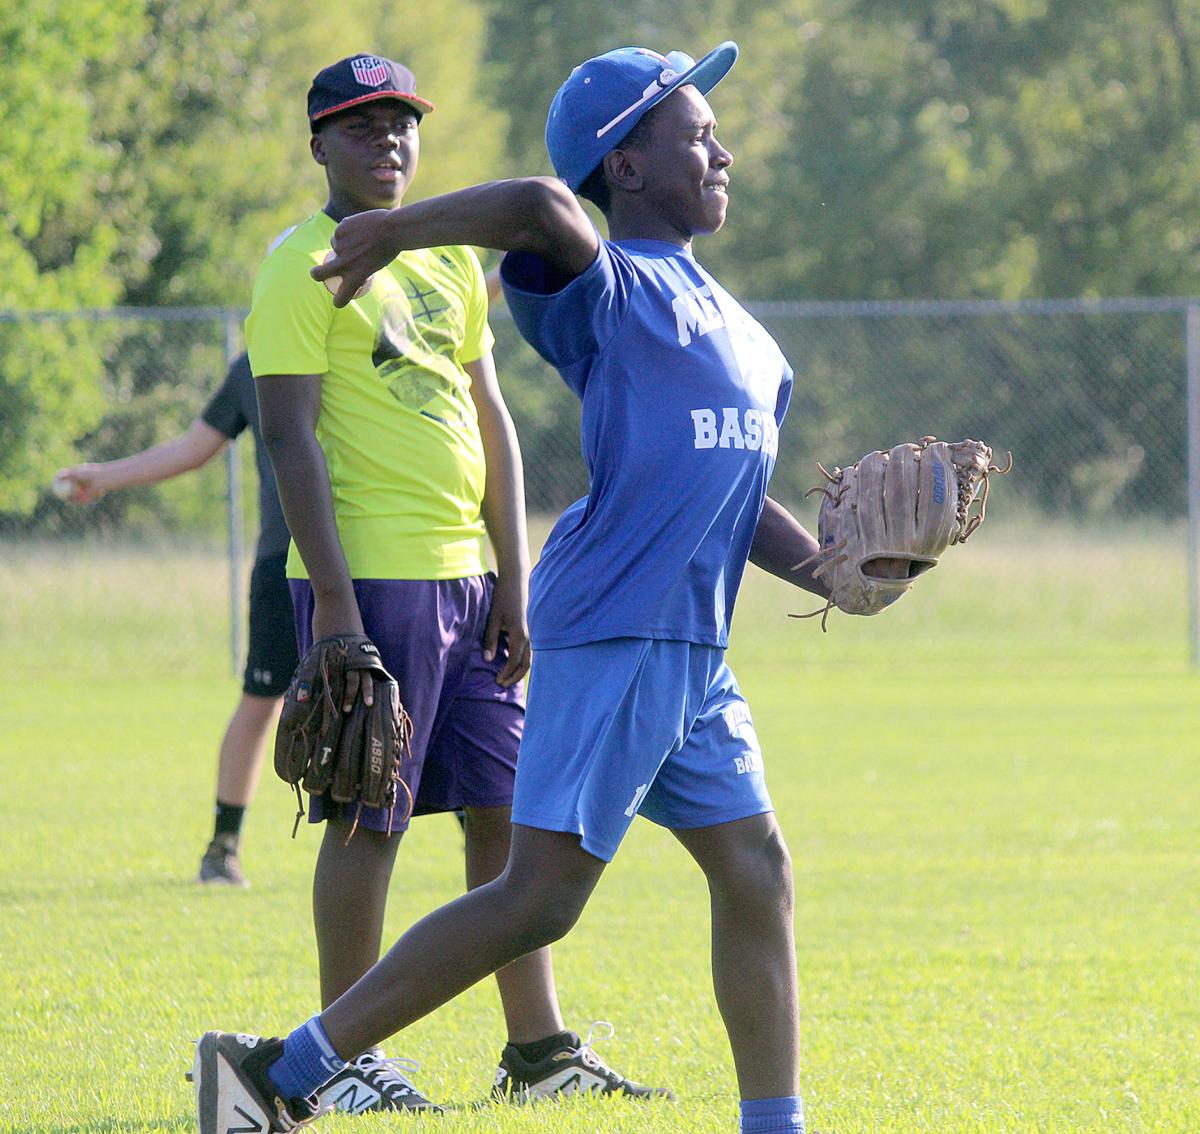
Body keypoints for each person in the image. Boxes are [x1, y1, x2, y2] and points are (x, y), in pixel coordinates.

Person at [193, 41, 830, 1134]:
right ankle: (279, 1073)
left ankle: (776, 1122)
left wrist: (838, 571)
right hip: (617, 628)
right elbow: (540, 204)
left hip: (694, 646)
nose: (720, 149)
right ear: (624, 168)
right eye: (695, 134)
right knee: (541, 898)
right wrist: (391, 229)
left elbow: (732, 491)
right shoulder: (604, 287)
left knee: (755, 865)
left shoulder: (742, 330)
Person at [233, 53, 663, 1116]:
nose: (387, 141)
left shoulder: (443, 265)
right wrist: (331, 604)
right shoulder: (299, 264)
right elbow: (286, 436)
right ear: (320, 143)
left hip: (468, 581)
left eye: (402, 124)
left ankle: (539, 1050)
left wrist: (514, 576)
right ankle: (338, 1055)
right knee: (370, 818)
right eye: (361, 125)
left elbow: (493, 420)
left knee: (507, 819)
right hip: (372, 578)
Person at [55, 350, 295, 888]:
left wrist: (509, 271)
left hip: (380, 557)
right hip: (285, 562)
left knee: (413, 692)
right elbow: (195, 447)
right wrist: (105, 476)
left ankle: (472, 821)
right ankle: (222, 847)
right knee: (261, 702)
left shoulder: (378, 333)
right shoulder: (256, 362)